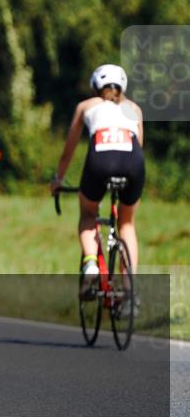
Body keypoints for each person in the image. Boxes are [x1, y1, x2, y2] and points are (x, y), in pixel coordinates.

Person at [51, 64, 144, 292]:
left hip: (100, 161)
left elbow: (69, 150)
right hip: (133, 163)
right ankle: (130, 289)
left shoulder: (86, 106)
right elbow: (139, 146)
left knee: (88, 213)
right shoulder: (134, 108)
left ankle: (91, 263)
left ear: (95, 86)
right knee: (127, 223)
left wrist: (58, 179)